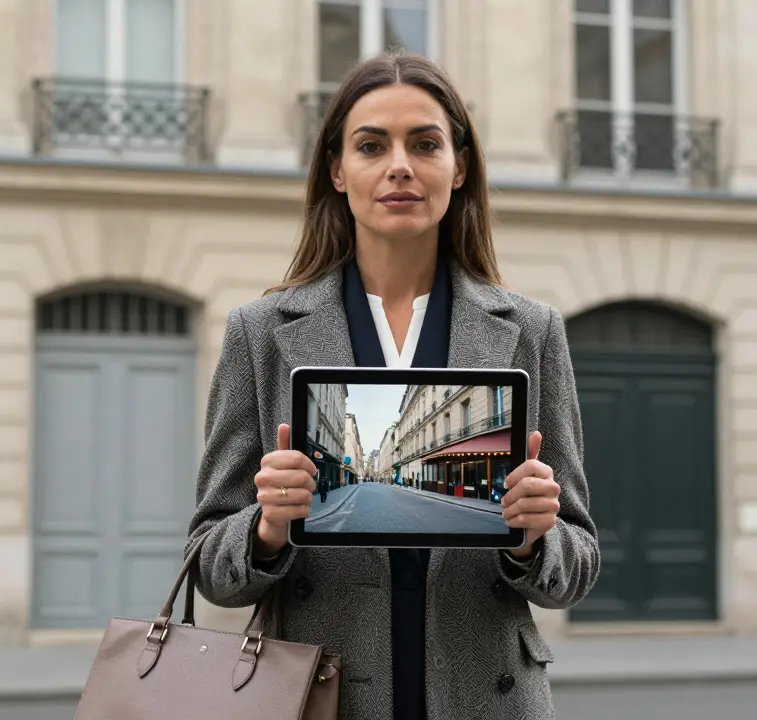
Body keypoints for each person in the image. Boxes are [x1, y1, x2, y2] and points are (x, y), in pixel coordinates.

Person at [186, 50, 600, 720]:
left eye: (426, 143)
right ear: (337, 170)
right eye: (372, 145)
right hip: (317, 697)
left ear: (459, 168)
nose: (400, 165)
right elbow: (209, 564)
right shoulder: (261, 332)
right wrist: (265, 528)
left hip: (487, 699)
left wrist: (530, 536)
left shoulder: (530, 330)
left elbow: (577, 564)